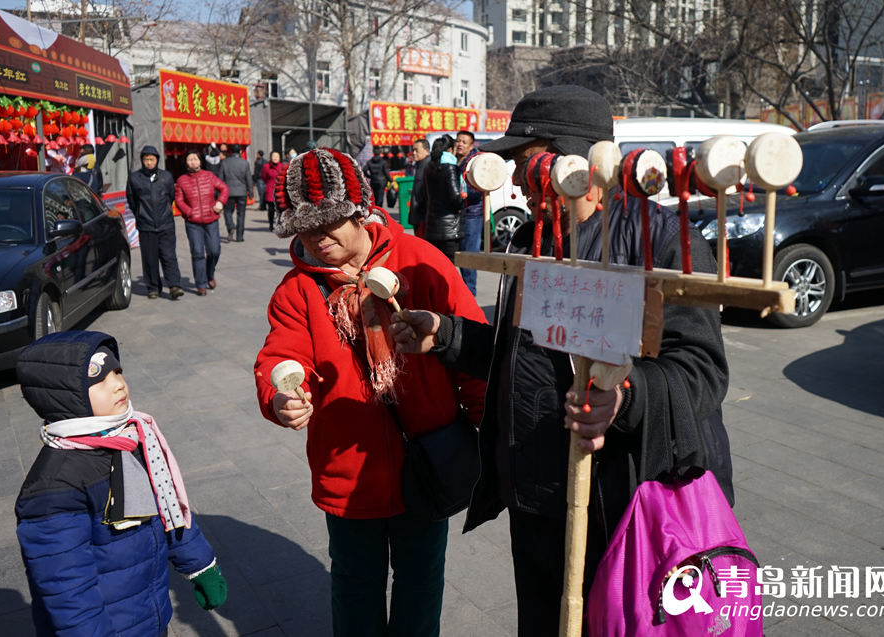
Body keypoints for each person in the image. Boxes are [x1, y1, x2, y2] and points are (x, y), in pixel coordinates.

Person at [389, 85, 733, 637]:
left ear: (575, 161)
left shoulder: (660, 241)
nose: (520, 187)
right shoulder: (533, 239)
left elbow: (700, 372)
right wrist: (449, 337)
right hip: (536, 494)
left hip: (617, 502)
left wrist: (622, 398)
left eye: (528, 166)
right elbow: (524, 354)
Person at [253, 148, 487, 637]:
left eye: (331, 223)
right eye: (306, 228)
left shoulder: (420, 261)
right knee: (355, 586)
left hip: (425, 460)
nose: (319, 239)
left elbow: (473, 347)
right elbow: (282, 354)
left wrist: (491, 421)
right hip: (348, 471)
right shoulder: (297, 291)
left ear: (360, 211)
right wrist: (280, 397)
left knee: (421, 585)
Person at [15, 330, 227, 636]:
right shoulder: (54, 486)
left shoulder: (131, 439)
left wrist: (200, 564)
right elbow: (68, 590)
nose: (117, 384)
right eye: (98, 379)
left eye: (117, 371)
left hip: (148, 616)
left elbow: (168, 508)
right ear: (65, 395)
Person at [126, 145, 183, 299]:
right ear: (142, 161)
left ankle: (174, 285)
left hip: (166, 224)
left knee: (169, 255)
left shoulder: (166, 177)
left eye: (152, 159)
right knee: (150, 258)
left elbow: (170, 196)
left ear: (157, 160)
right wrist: (141, 215)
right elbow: (132, 200)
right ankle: (153, 288)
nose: (149, 162)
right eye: (146, 160)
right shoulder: (134, 178)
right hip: (146, 225)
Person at [175, 149, 229, 295]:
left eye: (195, 159)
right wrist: (189, 212)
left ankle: (209, 274)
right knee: (198, 252)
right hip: (193, 223)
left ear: (200, 161)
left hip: (211, 219)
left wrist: (220, 203)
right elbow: (179, 201)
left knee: (214, 251)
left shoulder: (209, 176)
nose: (193, 162)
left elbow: (224, 188)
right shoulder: (181, 180)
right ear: (186, 162)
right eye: (190, 159)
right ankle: (201, 283)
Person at [422, 135, 462, 262]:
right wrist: (463, 204)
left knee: (435, 265)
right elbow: (455, 197)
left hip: (431, 226)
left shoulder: (429, 167)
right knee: (449, 267)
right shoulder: (450, 167)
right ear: (450, 150)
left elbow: (425, 194)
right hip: (449, 229)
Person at [454, 130, 482, 295]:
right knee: (460, 257)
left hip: (472, 214)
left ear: (471, 145)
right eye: (458, 141)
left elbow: (479, 189)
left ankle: (470, 294)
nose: (460, 144)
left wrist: (458, 194)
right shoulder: (457, 161)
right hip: (460, 213)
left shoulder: (474, 162)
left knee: (469, 259)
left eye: (464, 142)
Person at [220, 144, 254, 242]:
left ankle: (231, 227)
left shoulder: (224, 162)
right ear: (240, 152)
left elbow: (220, 179)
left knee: (227, 211)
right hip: (242, 192)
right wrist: (250, 192)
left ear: (230, 151)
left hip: (228, 192)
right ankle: (240, 236)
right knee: (241, 214)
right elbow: (249, 179)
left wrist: (219, 194)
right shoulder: (245, 163)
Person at [407, 138, 430, 238]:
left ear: (427, 151)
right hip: (419, 215)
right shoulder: (420, 165)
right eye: (413, 150)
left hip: (422, 216)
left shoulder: (427, 166)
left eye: (417, 150)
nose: (414, 153)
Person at [261, 150, 286, 231]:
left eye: (277, 156)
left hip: (281, 191)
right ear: (270, 157)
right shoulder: (266, 166)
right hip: (270, 190)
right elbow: (264, 178)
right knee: (271, 209)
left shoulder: (283, 166)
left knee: (281, 210)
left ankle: (280, 225)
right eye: (273, 156)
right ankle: (271, 224)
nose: (275, 158)